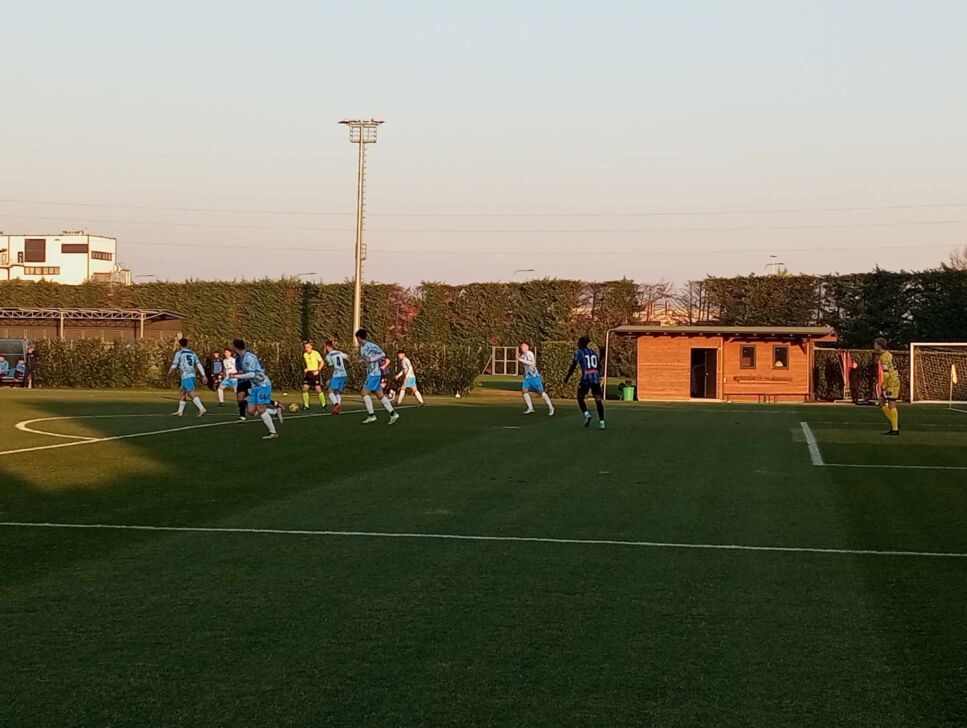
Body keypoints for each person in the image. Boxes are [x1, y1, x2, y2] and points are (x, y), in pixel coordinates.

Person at [233, 339, 283, 439]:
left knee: (260, 409)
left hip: (263, 385)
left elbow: (252, 373)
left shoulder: (249, 358)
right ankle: (275, 411)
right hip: (255, 386)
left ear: (236, 348)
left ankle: (273, 432)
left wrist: (236, 376)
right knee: (251, 411)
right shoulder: (241, 358)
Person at [356, 329, 400, 425]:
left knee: (364, 393)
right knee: (380, 395)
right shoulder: (362, 348)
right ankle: (393, 414)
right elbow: (366, 359)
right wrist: (362, 361)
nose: (357, 340)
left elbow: (382, 354)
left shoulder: (371, 346)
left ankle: (371, 415)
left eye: (357, 338)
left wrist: (372, 359)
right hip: (371, 373)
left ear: (359, 338)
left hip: (374, 373)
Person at [564, 336, 606, 430]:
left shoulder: (579, 353)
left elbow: (573, 366)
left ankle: (587, 414)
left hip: (586, 379)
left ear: (580, 344)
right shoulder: (593, 352)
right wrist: (597, 373)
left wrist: (567, 377)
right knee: (598, 400)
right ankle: (602, 422)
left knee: (580, 397)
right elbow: (599, 365)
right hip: (595, 378)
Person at [168, 338, 208, 417]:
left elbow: (174, 365)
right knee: (182, 392)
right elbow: (198, 364)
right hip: (191, 374)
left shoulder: (179, 353)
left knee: (190, 393)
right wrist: (203, 375)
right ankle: (180, 411)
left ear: (179, 345)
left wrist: (169, 372)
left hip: (186, 376)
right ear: (187, 344)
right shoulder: (192, 353)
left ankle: (202, 408)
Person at [517, 342, 555, 416]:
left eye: (524, 346)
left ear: (527, 347)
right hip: (528, 377)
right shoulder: (523, 355)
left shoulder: (529, 353)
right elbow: (525, 366)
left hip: (535, 377)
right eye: (521, 346)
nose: (522, 347)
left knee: (541, 392)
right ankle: (530, 408)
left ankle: (551, 407)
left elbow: (532, 363)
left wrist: (520, 360)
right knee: (524, 391)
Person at [874, 337, 900, 436]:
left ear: (879, 346)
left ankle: (895, 429)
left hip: (891, 382)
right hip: (892, 380)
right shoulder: (887, 354)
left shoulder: (884, 357)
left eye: (875, 344)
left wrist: (884, 385)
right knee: (881, 403)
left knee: (891, 403)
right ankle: (895, 423)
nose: (874, 346)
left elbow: (886, 373)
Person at [324, 340, 349, 415]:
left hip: (336, 374)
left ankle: (336, 404)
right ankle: (337, 409)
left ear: (327, 346)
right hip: (343, 374)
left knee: (330, 391)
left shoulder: (329, 356)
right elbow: (347, 357)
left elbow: (331, 367)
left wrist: (329, 378)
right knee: (337, 392)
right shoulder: (339, 352)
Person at [301, 341, 327, 410]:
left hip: (315, 373)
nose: (306, 348)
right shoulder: (305, 354)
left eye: (308, 347)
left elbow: (322, 362)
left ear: (311, 347)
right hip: (308, 374)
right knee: (305, 389)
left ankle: (324, 405)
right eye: (305, 347)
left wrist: (318, 370)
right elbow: (307, 364)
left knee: (318, 390)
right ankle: (306, 406)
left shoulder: (316, 353)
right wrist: (306, 369)